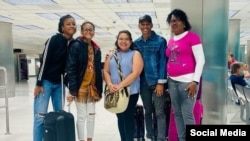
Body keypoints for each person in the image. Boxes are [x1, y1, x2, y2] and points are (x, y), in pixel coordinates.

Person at [33, 14, 77, 141]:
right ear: (62, 27)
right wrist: (38, 83)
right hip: (45, 83)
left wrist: (71, 89)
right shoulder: (54, 39)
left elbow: (70, 67)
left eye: (73, 24)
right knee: (40, 117)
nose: (71, 26)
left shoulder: (73, 44)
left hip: (60, 84)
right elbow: (44, 61)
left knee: (60, 115)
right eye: (68, 24)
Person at [166, 9, 205, 141]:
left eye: (177, 20)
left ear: (183, 22)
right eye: (171, 21)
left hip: (188, 82)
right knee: (176, 113)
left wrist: (195, 82)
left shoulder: (192, 37)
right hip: (172, 81)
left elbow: (201, 60)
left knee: (187, 113)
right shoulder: (171, 40)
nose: (174, 23)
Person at [103, 30, 143, 141]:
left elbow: (135, 73)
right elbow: (106, 71)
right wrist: (110, 84)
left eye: (126, 39)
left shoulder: (135, 54)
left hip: (130, 92)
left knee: (127, 117)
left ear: (130, 41)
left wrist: (120, 85)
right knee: (119, 117)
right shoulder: (111, 54)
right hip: (114, 91)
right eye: (121, 39)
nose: (123, 41)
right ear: (117, 40)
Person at [66, 21, 103, 141]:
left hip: (92, 87)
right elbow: (71, 68)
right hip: (80, 87)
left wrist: (100, 89)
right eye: (86, 30)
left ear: (93, 32)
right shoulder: (76, 45)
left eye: (91, 29)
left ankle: (89, 139)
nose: (88, 32)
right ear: (81, 32)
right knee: (81, 116)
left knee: (91, 115)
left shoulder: (96, 48)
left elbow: (98, 70)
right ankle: (81, 139)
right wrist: (72, 90)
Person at [134, 15, 167, 141]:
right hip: (143, 83)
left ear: (151, 25)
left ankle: (161, 137)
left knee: (159, 112)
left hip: (156, 82)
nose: (145, 26)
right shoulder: (136, 43)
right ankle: (151, 135)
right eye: (142, 24)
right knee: (147, 111)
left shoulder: (160, 41)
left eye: (147, 24)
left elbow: (163, 62)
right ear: (139, 26)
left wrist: (161, 82)